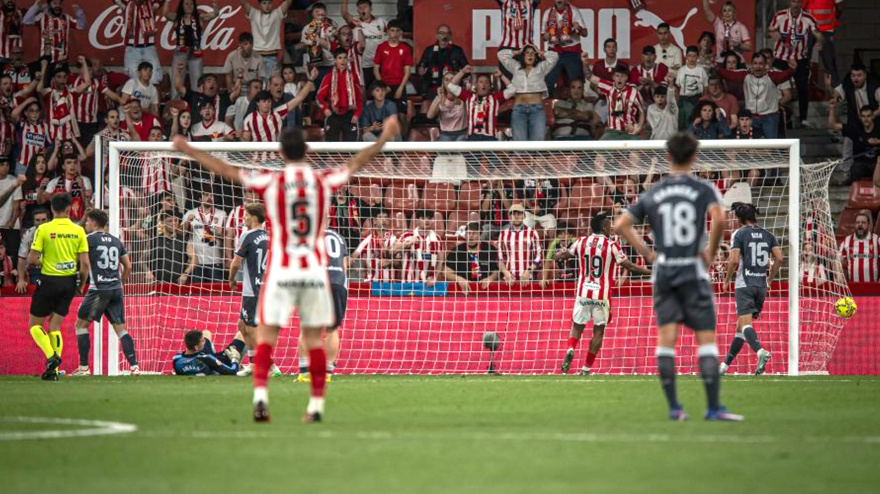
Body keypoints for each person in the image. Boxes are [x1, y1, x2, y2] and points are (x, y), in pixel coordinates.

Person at [171, 114, 400, 422]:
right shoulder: (322, 180)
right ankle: (316, 405)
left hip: (280, 270)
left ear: (281, 152)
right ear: (306, 151)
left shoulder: (271, 180)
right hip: (312, 270)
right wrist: (384, 137)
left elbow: (226, 169)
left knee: (266, 335)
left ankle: (261, 398)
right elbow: (359, 161)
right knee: (313, 336)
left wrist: (189, 149)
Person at [614, 133, 743, 421]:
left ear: (668, 157)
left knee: (666, 340)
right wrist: (709, 252)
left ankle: (675, 407)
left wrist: (648, 256)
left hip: (665, 270)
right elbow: (720, 219)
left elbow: (621, 224)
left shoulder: (653, 192)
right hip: (691, 268)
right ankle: (713, 408)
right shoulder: (703, 188)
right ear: (695, 156)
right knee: (706, 339)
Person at [556, 212, 650, 375]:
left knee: (577, 327)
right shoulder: (611, 245)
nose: (611, 227)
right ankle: (586, 368)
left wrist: (557, 254)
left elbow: (563, 256)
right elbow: (630, 266)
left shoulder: (581, 242)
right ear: (603, 227)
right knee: (598, 330)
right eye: (608, 224)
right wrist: (651, 272)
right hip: (602, 294)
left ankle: (571, 349)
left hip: (583, 291)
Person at [26, 193, 90, 380]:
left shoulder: (44, 229)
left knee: (34, 325)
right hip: (69, 282)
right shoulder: (78, 230)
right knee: (55, 326)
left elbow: (31, 258)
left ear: (52, 209)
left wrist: (45, 262)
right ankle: (52, 371)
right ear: (69, 208)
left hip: (49, 281)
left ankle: (51, 357)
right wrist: (81, 284)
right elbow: (85, 264)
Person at [71, 210, 138, 376]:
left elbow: (84, 265)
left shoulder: (88, 240)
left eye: (87, 221)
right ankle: (134, 366)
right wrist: (120, 283)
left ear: (93, 222)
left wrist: (80, 285)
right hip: (116, 289)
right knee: (121, 329)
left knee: (81, 325)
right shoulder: (116, 241)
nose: (86, 225)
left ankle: (84, 368)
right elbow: (128, 267)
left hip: (99, 289)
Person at [720, 202, 781, 376]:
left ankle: (761, 351)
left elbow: (733, 260)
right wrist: (769, 278)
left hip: (744, 284)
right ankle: (724, 366)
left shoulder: (739, 234)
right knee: (741, 327)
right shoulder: (767, 235)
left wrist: (727, 280)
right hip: (761, 286)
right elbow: (779, 258)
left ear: (739, 218)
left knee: (745, 324)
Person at [229, 204, 279, 378]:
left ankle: (271, 366)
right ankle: (252, 364)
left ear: (255, 218)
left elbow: (236, 263)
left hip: (253, 289)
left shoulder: (247, 235)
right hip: (265, 287)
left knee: (252, 329)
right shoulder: (268, 237)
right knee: (242, 325)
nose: (244, 218)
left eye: (247, 215)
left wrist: (231, 279)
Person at [297, 228, 349, 381]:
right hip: (338, 283)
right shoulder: (339, 237)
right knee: (333, 329)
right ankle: (326, 373)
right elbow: (345, 266)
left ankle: (306, 373)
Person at [768, 0, 824, 128]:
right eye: (794, 1)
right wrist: (772, 33)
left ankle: (803, 118)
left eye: (799, 1)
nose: (796, 4)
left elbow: (819, 34)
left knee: (803, 87)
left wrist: (819, 42)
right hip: (781, 58)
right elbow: (769, 31)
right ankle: (773, 115)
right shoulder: (780, 15)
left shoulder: (808, 18)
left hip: (800, 58)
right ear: (789, 2)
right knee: (774, 87)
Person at [717, 53, 793, 139]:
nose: (758, 66)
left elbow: (786, 75)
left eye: (761, 64)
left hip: (770, 117)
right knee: (752, 146)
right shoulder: (745, 75)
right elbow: (729, 75)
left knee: (771, 145)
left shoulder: (772, 76)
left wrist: (792, 69)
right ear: (752, 64)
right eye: (755, 63)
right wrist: (716, 68)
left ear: (765, 65)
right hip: (751, 118)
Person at [498, 45, 558, 141]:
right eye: (527, 53)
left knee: (537, 144)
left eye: (532, 53)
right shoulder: (515, 67)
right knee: (520, 145)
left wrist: (539, 51)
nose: (530, 55)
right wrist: (518, 51)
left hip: (537, 110)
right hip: (519, 110)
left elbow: (554, 57)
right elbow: (501, 55)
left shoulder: (541, 68)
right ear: (523, 55)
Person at [161, 0, 219, 95]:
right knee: (176, 85)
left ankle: (196, 107)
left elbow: (214, 14)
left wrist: (216, 6)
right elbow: (165, 13)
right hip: (180, 52)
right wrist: (167, 1)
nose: (189, 6)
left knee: (197, 84)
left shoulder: (199, 17)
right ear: (182, 6)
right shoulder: (177, 17)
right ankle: (176, 107)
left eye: (191, 4)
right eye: (186, 4)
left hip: (195, 53)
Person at [447, 65, 515, 141]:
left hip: (490, 137)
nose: (484, 84)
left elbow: (512, 90)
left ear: (489, 86)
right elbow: (450, 86)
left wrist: (501, 75)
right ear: (476, 85)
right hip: (472, 137)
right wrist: (462, 72)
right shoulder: (468, 97)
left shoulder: (495, 98)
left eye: (486, 82)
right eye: (481, 82)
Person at [584, 61, 644, 140]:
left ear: (626, 78)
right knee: (599, 151)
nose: (619, 78)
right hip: (612, 132)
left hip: (629, 132)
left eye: (622, 76)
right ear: (613, 77)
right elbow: (589, 76)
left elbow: (642, 112)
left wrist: (639, 127)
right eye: (617, 76)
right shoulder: (608, 87)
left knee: (636, 151)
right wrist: (585, 63)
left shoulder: (634, 92)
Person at [541, 0, 587, 96]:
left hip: (572, 52)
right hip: (554, 52)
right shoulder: (547, 13)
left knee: (576, 83)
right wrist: (546, 36)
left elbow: (585, 33)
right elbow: (543, 37)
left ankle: (577, 108)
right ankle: (549, 108)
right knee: (548, 82)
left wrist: (578, 28)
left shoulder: (574, 11)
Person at [317, 49, 364, 142]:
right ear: (335, 60)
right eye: (340, 58)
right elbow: (319, 97)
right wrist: (325, 109)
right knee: (331, 146)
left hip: (350, 115)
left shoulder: (354, 76)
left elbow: (359, 98)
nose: (343, 60)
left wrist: (357, 114)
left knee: (351, 148)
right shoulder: (329, 77)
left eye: (345, 58)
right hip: (334, 115)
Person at [828, 99, 880, 182]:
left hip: (877, 164)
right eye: (863, 116)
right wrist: (832, 108)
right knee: (856, 169)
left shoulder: (878, 128)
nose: (866, 119)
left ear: (873, 116)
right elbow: (833, 125)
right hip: (861, 164)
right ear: (860, 117)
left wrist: (878, 142)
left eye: (868, 116)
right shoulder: (855, 128)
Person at [239, 0, 292, 80]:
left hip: (272, 56)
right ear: (259, 5)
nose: (267, 6)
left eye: (269, 3)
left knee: (270, 84)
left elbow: (288, 2)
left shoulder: (277, 13)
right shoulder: (254, 13)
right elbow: (244, 2)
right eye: (264, 3)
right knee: (255, 83)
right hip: (256, 56)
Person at [23, 0, 87, 65]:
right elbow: (26, 21)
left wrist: (79, 12)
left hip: (62, 60)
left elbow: (81, 26)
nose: (57, 6)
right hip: (46, 61)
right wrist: (36, 6)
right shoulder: (42, 17)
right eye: (55, 3)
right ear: (49, 5)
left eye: (59, 3)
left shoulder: (66, 17)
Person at [182, 190, 226, 283]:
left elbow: (229, 237)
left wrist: (221, 234)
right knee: (196, 294)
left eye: (212, 195)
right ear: (199, 198)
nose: (209, 197)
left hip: (216, 261)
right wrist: (187, 222)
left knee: (216, 293)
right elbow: (181, 233)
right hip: (197, 263)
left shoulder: (222, 214)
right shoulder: (191, 213)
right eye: (206, 194)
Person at [115, 0, 164, 85]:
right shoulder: (126, 3)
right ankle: (134, 98)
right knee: (131, 81)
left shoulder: (151, 3)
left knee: (154, 78)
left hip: (149, 47)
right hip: (132, 48)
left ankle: (153, 97)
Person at [341, 0, 387, 89]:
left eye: (365, 7)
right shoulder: (355, 22)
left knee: (381, 90)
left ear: (371, 9)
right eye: (360, 8)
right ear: (357, 10)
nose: (362, 10)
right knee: (366, 91)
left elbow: (393, 32)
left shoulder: (381, 22)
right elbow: (344, 13)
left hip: (380, 64)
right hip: (363, 65)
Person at [443, 221, 500, 292]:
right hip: (464, 290)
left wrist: (490, 278)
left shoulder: (490, 249)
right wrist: (458, 279)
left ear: (480, 235)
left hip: (486, 290)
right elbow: (446, 272)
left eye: (474, 233)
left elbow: (497, 271)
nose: (471, 236)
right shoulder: (457, 251)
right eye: (468, 233)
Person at [372, 20, 412, 119]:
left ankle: (404, 135)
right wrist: (383, 86)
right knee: (385, 117)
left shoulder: (405, 48)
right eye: (392, 30)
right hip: (385, 86)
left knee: (402, 117)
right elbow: (376, 69)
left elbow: (407, 71)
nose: (394, 33)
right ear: (388, 32)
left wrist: (401, 88)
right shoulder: (381, 47)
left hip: (400, 86)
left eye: (397, 31)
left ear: (400, 33)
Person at [416, 24, 467, 98]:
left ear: (450, 36)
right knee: (427, 104)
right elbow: (421, 66)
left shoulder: (457, 51)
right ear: (437, 36)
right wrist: (421, 69)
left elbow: (466, 70)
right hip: (433, 86)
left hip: (452, 87)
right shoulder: (429, 50)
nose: (445, 36)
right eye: (442, 33)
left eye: (447, 33)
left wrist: (456, 76)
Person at [393, 210, 441, 285]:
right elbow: (393, 250)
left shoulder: (437, 238)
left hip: (427, 284)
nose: (427, 221)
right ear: (417, 220)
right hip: (407, 283)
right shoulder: (407, 236)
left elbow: (440, 261)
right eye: (423, 218)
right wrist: (408, 243)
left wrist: (434, 277)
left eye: (429, 218)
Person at [498, 203, 542, 284]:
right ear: (510, 216)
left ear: (523, 216)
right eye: (514, 213)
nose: (516, 216)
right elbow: (500, 257)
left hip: (527, 278)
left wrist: (528, 271)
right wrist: (506, 273)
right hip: (509, 279)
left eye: (519, 213)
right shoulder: (503, 234)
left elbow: (538, 256)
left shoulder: (532, 232)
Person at [172, 329, 244, 376]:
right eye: (203, 341)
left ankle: (212, 351)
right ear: (196, 347)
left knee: (206, 332)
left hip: (200, 356)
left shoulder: (176, 359)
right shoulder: (207, 359)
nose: (205, 341)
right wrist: (235, 359)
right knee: (242, 334)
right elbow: (232, 371)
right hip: (218, 361)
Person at [45, 154, 92, 222]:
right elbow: (46, 198)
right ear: (63, 166)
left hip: (80, 220)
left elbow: (88, 202)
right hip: (60, 221)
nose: (72, 165)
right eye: (69, 163)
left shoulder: (85, 180)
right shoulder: (55, 181)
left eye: (75, 163)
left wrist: (81, 187)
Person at [832, 63, 880, 129]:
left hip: (874, 124)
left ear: (865, 75)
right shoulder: (848, 82)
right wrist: (834, 97)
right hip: (855, 124)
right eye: (853, 76)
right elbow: (838, 91)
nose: (856, 78)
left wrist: (871, 116)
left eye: (859, 75)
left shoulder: (874, 86)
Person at [352, 210, 396, 282]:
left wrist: (390, 262)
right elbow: (354, 256)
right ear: (374, 221)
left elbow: (399, 262)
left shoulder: (393, 239)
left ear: (388, 221)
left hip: (389, 285)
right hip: (371, 284)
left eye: (386, 217)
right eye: (381, 217)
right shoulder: (368, 240)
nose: (384, 220)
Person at [838, 210, 880, 283]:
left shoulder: (877, 240)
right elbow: (838, 260)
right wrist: (839, 275)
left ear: (868, 225)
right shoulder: (847, 241)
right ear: (855, 224)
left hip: (873, 287)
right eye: (858, 222)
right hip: (853, 288)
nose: (860, 225)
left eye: (863, 222)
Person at [426, 71, 467, 142]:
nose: (449, 82)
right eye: (446, 79)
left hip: (462, 133)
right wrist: (439, 97)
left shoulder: (463, 96)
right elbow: (429, 116)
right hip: (445, 134)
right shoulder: (439, 97)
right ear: (443, 82)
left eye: (452, 79)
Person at [674, 46, 709, 130]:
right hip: (683, 98)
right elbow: (678, 87)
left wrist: (703, 99)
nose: (692, 58)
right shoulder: (681, 70)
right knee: (682, 122)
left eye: (694, 56)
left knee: (695, 122)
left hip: (697, 98)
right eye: (689, 56)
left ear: (697, 56)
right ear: (686, 56)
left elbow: (705, 86)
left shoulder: (701, 70)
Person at [0, 157, 21, 255]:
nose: (5, 167)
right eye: (2, 165)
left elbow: (16, 205)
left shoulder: (14, 181)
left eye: (7, 165)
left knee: (12, 255)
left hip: (10, 226)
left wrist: (12, 222)